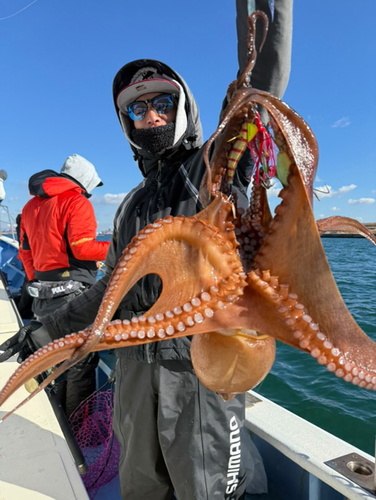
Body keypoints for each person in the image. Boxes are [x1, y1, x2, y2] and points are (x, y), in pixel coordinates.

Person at [0, 1, 293, 498]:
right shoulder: (130, 206)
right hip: (134, 373)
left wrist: (271, 12)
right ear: (126, 121)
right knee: (139, 487)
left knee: (207, 488)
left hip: (199, 369)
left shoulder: (211, 171)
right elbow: (105, 295)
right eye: (138, 108)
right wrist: (42, 331)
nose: (150, 114)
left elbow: (258, 94)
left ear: (182, 110)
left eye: (162, 102)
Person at [17, 154, 110, 417]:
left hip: (43, 295)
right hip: (74, 296)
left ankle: (62, 417)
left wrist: (38, 279)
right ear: (85, 180)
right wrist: (119, 246)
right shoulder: (76, 201)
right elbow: (83, 249)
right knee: (81, 361)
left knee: (59, 359)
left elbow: (25, 253)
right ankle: (80, 428)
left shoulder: (29, 207)